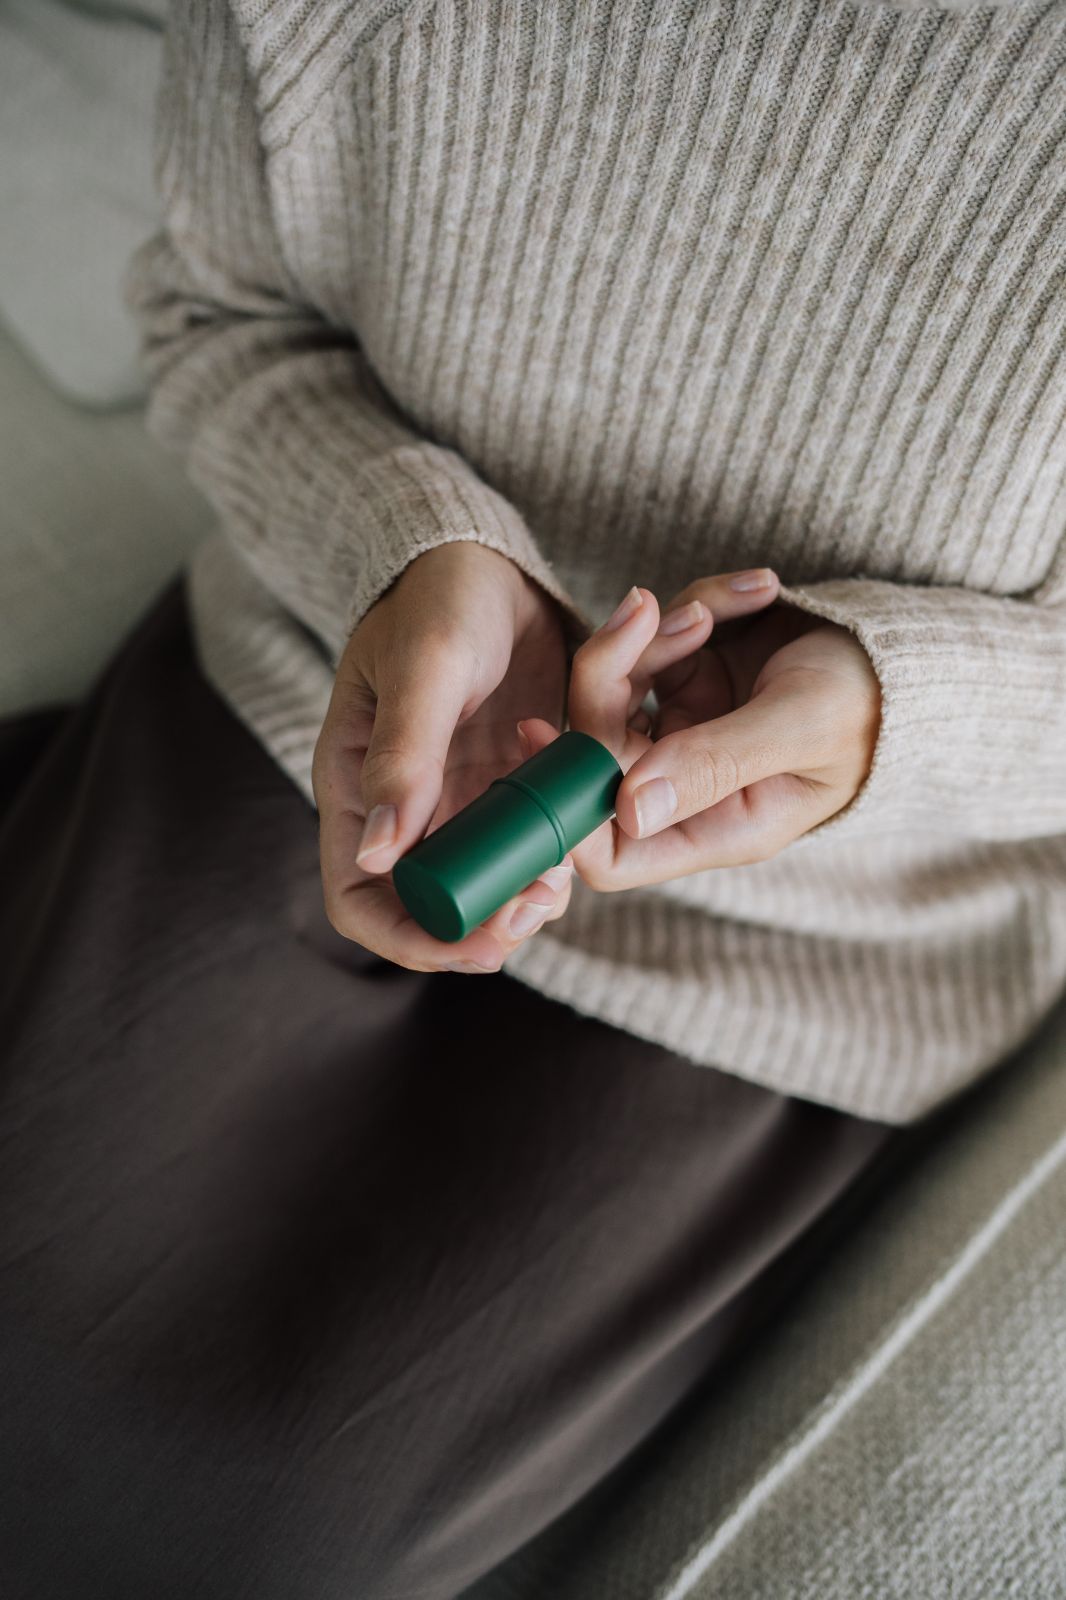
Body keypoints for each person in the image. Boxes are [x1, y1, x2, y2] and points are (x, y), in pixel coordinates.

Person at [1, 2, 1064, 1595]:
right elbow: (223, 318)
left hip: (823, 940)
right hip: (325, 710)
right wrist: (407, 546)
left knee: (262, 1531)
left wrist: (892, 713)